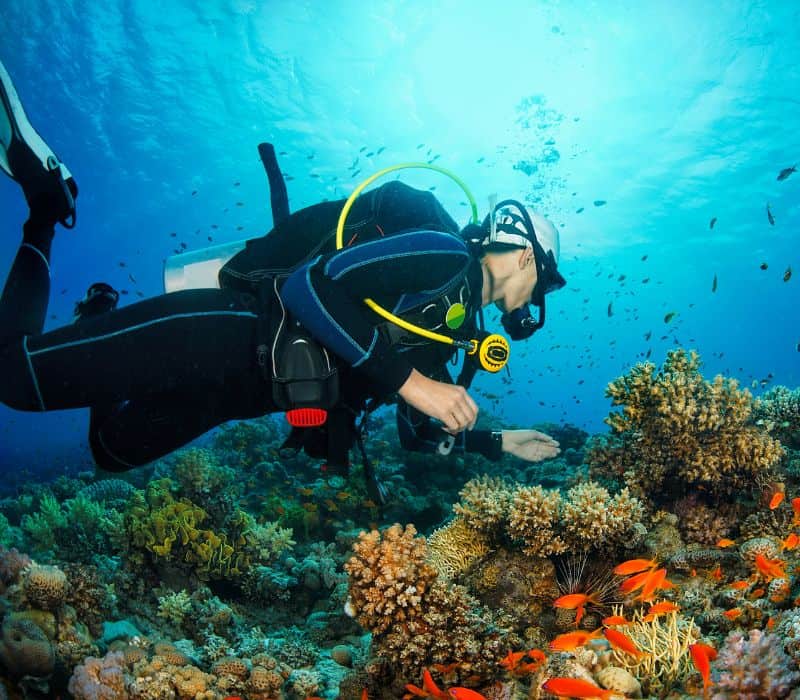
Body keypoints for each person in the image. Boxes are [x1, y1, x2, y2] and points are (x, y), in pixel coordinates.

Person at [0, 60, 565, 499]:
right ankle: (47, 208)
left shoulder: (456, 329)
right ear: (524, 258)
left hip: (237, 395)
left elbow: (416, 435)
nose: (537, 299)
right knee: (13, 377)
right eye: (544, 281)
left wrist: (496, 441)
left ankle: (96, 315)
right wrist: (416, 385)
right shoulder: (443, 254)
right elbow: (311, 286)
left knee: (111, 451)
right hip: (228, 333)